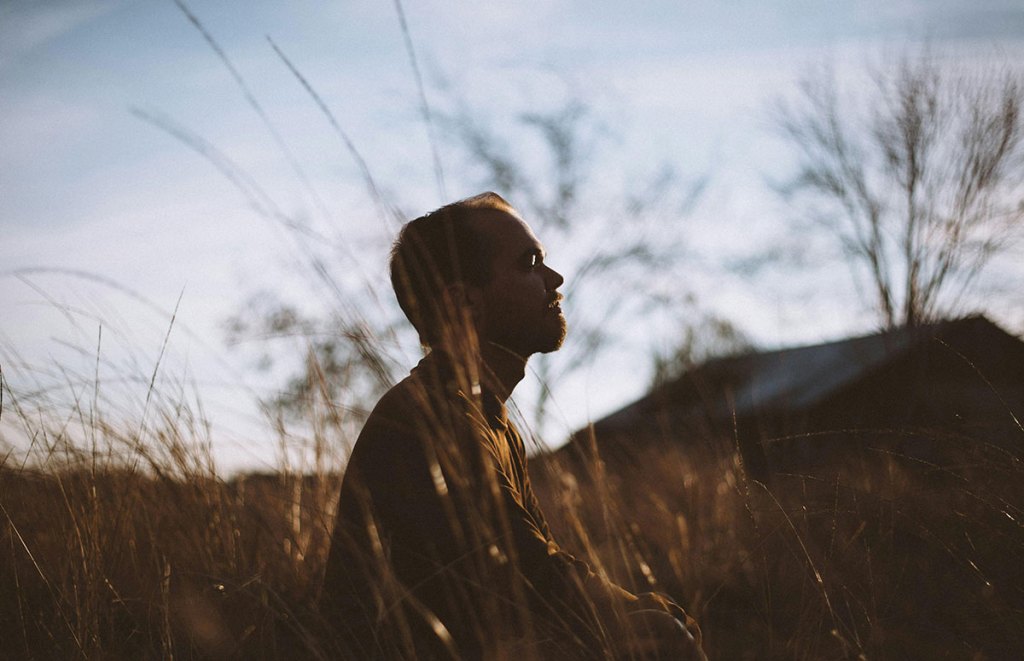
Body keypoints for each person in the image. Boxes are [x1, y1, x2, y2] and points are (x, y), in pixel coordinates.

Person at [320, 193, 704, 660]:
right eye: (531, 262)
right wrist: (637, 616)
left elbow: (535, 567)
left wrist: (641, 612)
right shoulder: (433, 419)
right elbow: (528, 575)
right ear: (464, 302)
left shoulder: (490, 420)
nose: (555, 280)